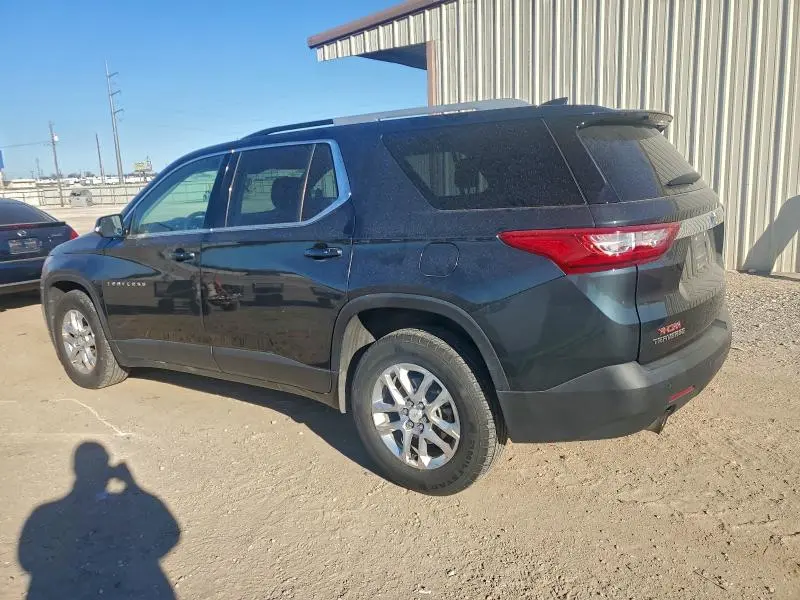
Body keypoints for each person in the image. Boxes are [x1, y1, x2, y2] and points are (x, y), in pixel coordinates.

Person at [18, 442, 180, 599]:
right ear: (107, 470)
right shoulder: (123, 506)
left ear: (75, 469)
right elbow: (170, 531)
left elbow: (27, 560)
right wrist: (132, 486)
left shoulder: (45, 513)